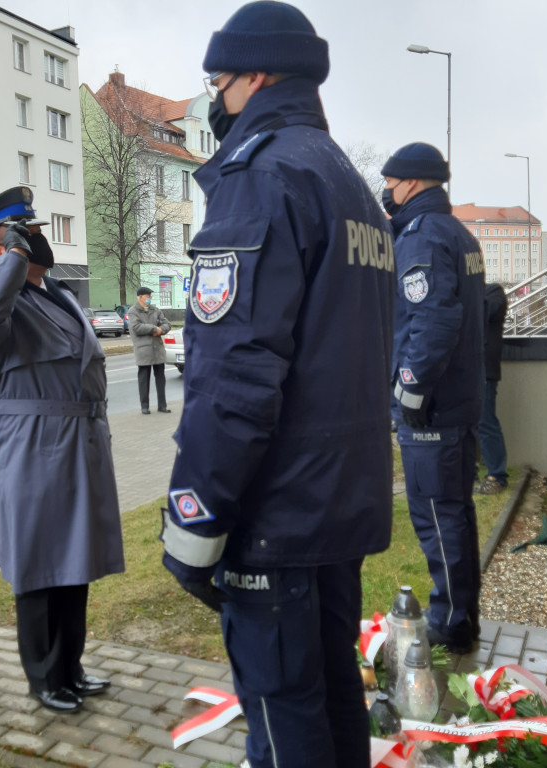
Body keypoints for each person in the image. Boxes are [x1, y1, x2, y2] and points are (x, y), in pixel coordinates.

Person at [160, 4, 396, 766]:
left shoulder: (261, 174)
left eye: (219, 82)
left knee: (285, 719)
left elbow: (235, 372)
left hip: (277, 513)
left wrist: (195, 516)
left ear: (255, 74)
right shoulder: (349, 183)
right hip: (337, 502)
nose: (217, 97)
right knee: (333, 700)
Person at [0, 186, 125, 715]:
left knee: (75, 564)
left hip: (78, 443)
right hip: (29, 447)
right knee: (38, 565)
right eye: (26, 235)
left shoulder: (58, 295)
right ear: (0, 248)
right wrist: (11, 260)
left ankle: (69, 667)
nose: (39, 243)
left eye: (37, 235)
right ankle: (43, 677)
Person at [382, 141, 486, 656]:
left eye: (392, 181)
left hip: (434, 407)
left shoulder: (421, 239)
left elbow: (433, 321)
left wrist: (410, 391)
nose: (388, 190)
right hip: (460, 401)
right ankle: (464, 613)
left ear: (413, 182)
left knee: (436, 513)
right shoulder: (459, 233)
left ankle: (450, 619)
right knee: (457, 510)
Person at [477, 283, 508, 495]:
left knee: (486, 423)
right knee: (464, 425)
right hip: (464, 371)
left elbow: (482, 313)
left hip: (484, 372)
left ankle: (497, 476)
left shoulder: (493, 292)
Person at [128, 286, 171, 414]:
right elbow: (136, 327)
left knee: (160, 378)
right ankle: (145, 406)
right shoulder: (133, 311)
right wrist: (153, 328)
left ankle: (162, 405)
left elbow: (166, 323)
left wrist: (161, 330)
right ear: (140, 297)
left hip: (157, 349)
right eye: (147, 296)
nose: (149, 299)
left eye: (150, 296)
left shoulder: (155, 310)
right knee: (144, 379)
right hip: (143, 350)